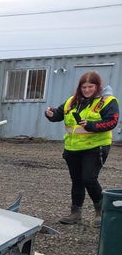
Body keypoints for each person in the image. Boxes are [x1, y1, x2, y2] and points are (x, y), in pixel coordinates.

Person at [44, 71, 118, 224]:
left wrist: (91, 125)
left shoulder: (108, 101)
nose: (87, 90)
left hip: (96, 147)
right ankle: (75, 214)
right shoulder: (72, 101)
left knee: (89, 179)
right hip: (73, 148)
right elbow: (58, 115)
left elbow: (111, 122)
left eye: (90, 86)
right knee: (77, 181)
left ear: (97, 86)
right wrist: (50, 114)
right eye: (84, 87)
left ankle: (101, 212)